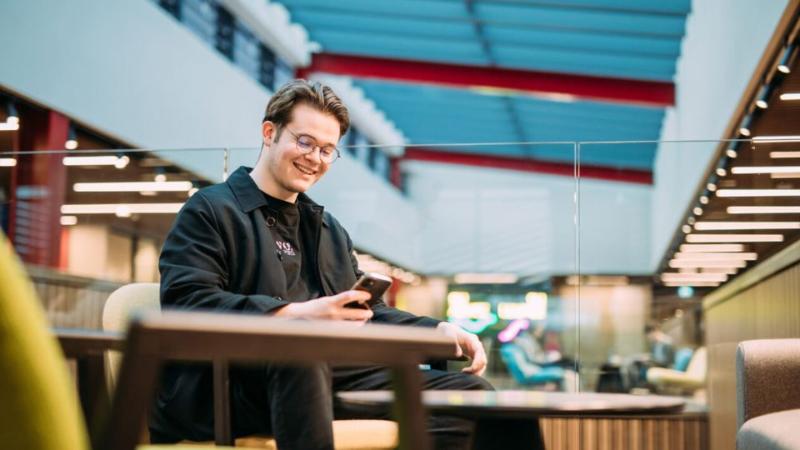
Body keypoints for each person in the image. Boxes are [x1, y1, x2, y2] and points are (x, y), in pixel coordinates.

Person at [151, 79, 542, 450]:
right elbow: (187, 304)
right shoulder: (211, 210)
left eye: (326, 150)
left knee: (477, 399)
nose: (314, 158)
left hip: (324, 373)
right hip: (230, 383)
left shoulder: (326, 228)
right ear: (269, 133)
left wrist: (438, 330)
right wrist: (299, 314)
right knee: (301, 353)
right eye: (304, 141)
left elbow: (368, 313)